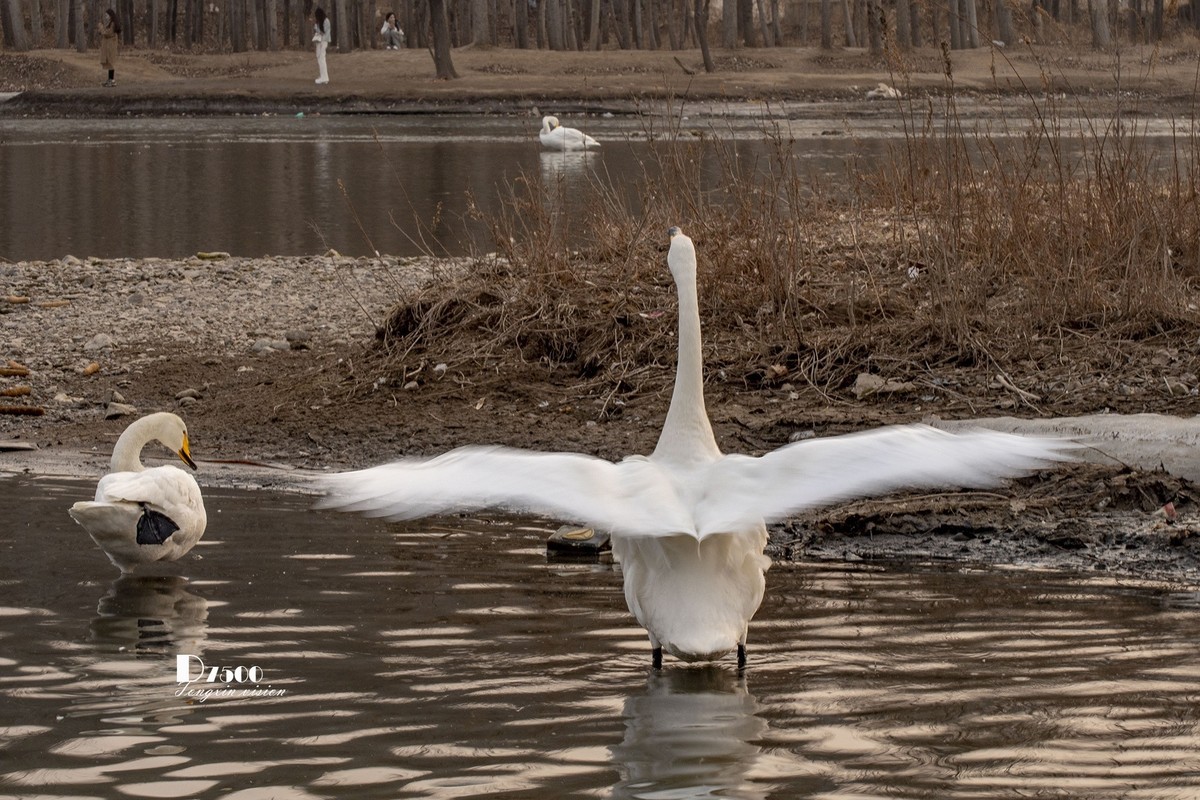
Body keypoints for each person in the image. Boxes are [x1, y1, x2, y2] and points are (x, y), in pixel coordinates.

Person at [100, 9, 120, 87]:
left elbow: (108, 33)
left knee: (111, 62)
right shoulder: (111, 23)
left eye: (107, 15)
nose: (106, 17)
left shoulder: (113, 24)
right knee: (109, 63)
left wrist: (102, 29)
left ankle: (112, 80)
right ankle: (110, 79)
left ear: (110, 15)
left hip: (111, 46)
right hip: (110, 46)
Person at [313, 7, 331, 85]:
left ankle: (325, 78)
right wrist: (316, 26)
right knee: (319, 59)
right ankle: (323, 76)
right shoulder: (319, 21)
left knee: (322, 59)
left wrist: (319, 32)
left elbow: (325, 32)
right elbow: (317, 30)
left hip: (323, 42)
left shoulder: (326, 21)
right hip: (319, 41)